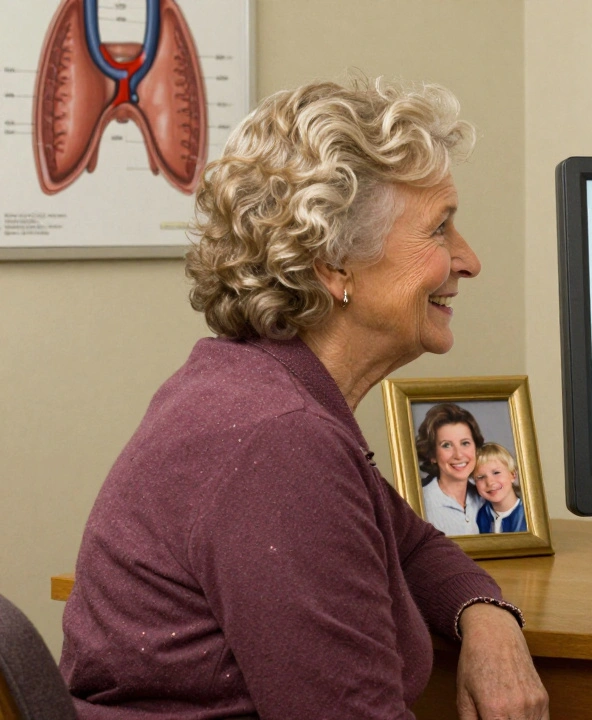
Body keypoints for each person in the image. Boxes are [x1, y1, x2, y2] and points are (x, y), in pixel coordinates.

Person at [60, 79, 549, 720]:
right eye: (439, 230)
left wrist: (488, 620)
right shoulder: (278, 441)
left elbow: (412, 545)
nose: (469, 259)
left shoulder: (251, 387)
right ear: (333, 265)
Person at [416, 403, 486, 535]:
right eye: (446, 445)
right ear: (432, 455)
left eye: (465, 443)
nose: (459, 455)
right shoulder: (419, 502)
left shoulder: (487, 496)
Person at [473, 443, 527, 534]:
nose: (490, 482)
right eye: (481, 477)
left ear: (513, 475)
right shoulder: (478, 516)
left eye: (496, 473)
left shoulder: (529, 516)